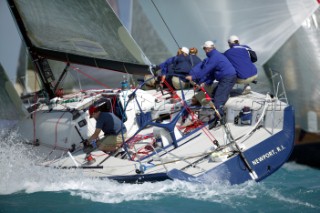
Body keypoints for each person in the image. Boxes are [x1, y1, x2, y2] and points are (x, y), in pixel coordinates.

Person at [186, 40, 236, 128]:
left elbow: (206, 70)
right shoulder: (215, 55)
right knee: (215, 94)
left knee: (218, 99)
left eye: (204, 49)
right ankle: (217, 114)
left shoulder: (214, 57)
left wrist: (192, 77)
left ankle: (221, 119)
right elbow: (213, 73)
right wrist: (205, 83)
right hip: (227, 77)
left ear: (208, 49)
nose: (204, 51)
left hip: (227, 78)